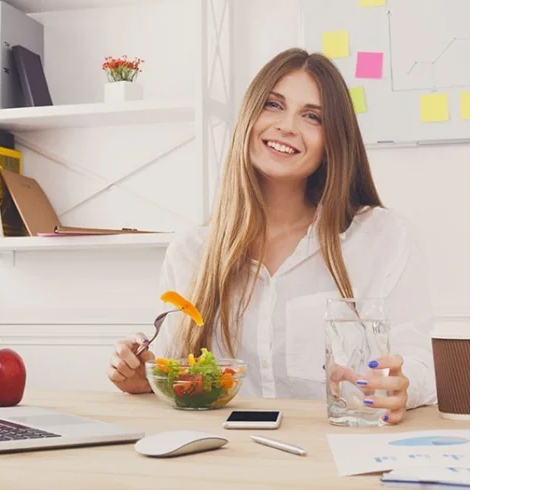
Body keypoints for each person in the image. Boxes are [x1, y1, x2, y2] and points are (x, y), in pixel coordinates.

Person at [106, 48, 437, 425]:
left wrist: (400, 385)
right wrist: (141, 373)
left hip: (337, 457)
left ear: (333, 141)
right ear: (249, 116)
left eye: (311, 116)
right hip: (225, 460)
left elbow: (421, 363)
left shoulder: (382, 238)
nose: (287, 126)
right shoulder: (192, 250)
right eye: (273, 105)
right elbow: (173, 366)